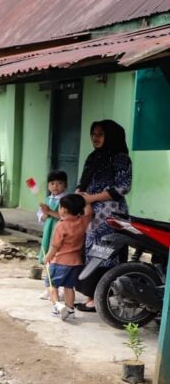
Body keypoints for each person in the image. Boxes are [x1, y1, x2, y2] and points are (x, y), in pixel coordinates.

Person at [75, 120, 132, 311]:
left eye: (100, 134)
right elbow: (83, 182)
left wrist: (91, 198)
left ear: (111, 135)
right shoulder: (94, 156)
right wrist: (80, 198)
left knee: (105, 253)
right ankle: (91, 296)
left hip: (110, 213)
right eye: (93, 134)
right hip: (90, 211)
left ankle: (99, 298)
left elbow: (123, 187)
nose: (95, 138)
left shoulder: (120, 158)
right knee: (91, 251)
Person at [44, 193, 93, 320]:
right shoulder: (82, 221)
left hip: (60, 261)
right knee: (69, 286)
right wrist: (85, 200)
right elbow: (89, 212)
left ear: (63, 209)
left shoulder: (61, 225)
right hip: (76, 262)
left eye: (60, 207)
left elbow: (55, 245)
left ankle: (57, 306)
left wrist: (47, 257)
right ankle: (70, 310)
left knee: (51, 285)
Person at [37, 170, 69, 299]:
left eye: (60, 183)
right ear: (48, 186)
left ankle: (60, 290)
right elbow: (42, 218)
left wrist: (49, 211)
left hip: (59, 233)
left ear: (65, 185)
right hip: (48, 233)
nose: (55, 186)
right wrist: (44, 213)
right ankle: (48, 289)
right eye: (52, 183)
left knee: (58, 260)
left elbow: (64, 216)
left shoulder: (66, 200)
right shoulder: (47, 200)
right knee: (48, 260)